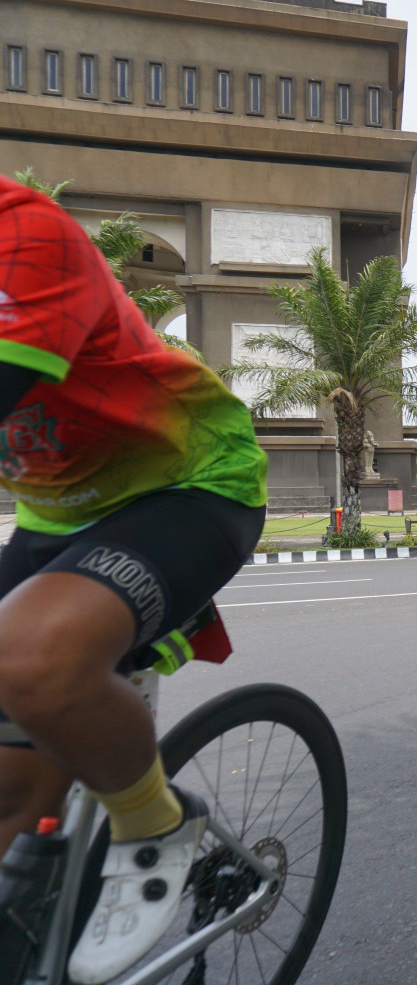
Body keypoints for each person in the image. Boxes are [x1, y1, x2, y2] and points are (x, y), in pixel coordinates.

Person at [0, 174, 268, 982]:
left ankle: (153, 819)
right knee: (12, 795)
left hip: (187, 483)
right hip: (55, 514)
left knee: (30, 659)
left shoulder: (22, 228)